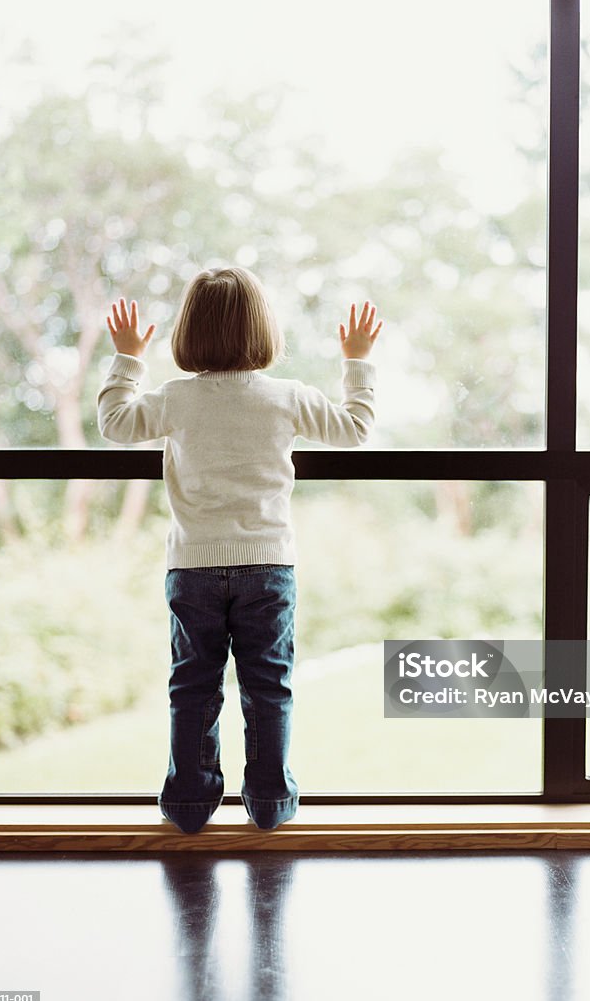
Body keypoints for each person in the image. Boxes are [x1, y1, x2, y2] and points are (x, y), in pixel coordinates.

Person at [97, 266, 382, 833]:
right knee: (267, 686)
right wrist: (356, 362)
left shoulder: (176, 399)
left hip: (194, 567)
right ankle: (272, 801)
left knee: (193, 685)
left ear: (189, 333)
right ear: (262, 330)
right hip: (268, 566)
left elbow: (114, 422)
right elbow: (355, 429)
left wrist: (129, 357)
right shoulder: (286, 397)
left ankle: (188, 802)